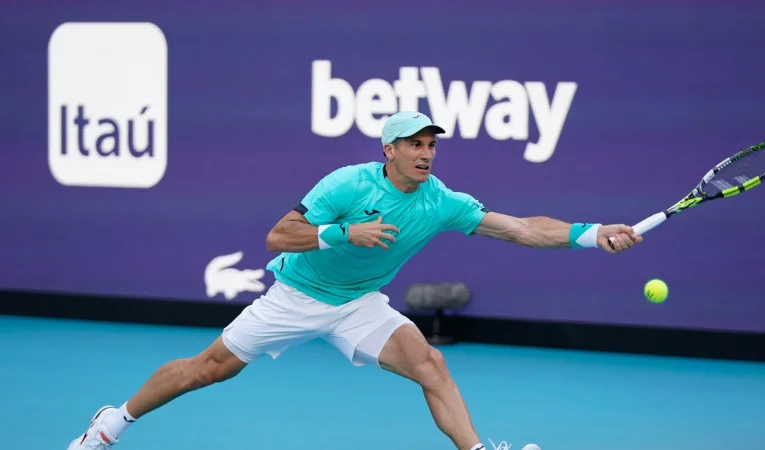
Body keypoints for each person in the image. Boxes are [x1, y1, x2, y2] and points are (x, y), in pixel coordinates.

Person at [67, 111, 643, 450]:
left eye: (431, 145)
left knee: (430, 364)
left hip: (360, 304)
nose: (425, 154)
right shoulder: (347, 184)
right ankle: (110, 424)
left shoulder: (442, 201)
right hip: (296, 296)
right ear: (388, 150)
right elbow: (277, 236)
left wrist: (591, 234)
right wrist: (343, 235)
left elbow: (518, 228)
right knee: (207, 370)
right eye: (414, 145)